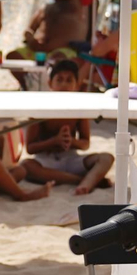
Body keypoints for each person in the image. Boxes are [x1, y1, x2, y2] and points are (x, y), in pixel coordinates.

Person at [20, 60, 113, 195]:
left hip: (71, 158)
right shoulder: (40, 108)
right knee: (26, 166)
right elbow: (30, 148)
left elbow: (85, 143)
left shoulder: (79, 109)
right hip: (46, 161)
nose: (64, 84)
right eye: (59, 80)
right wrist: (54, 141)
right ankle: (82, 181)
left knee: (106, 158)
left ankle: (83, 182)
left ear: (77, 84)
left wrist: (71, 141)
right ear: (50, 83)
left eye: (69, 80)